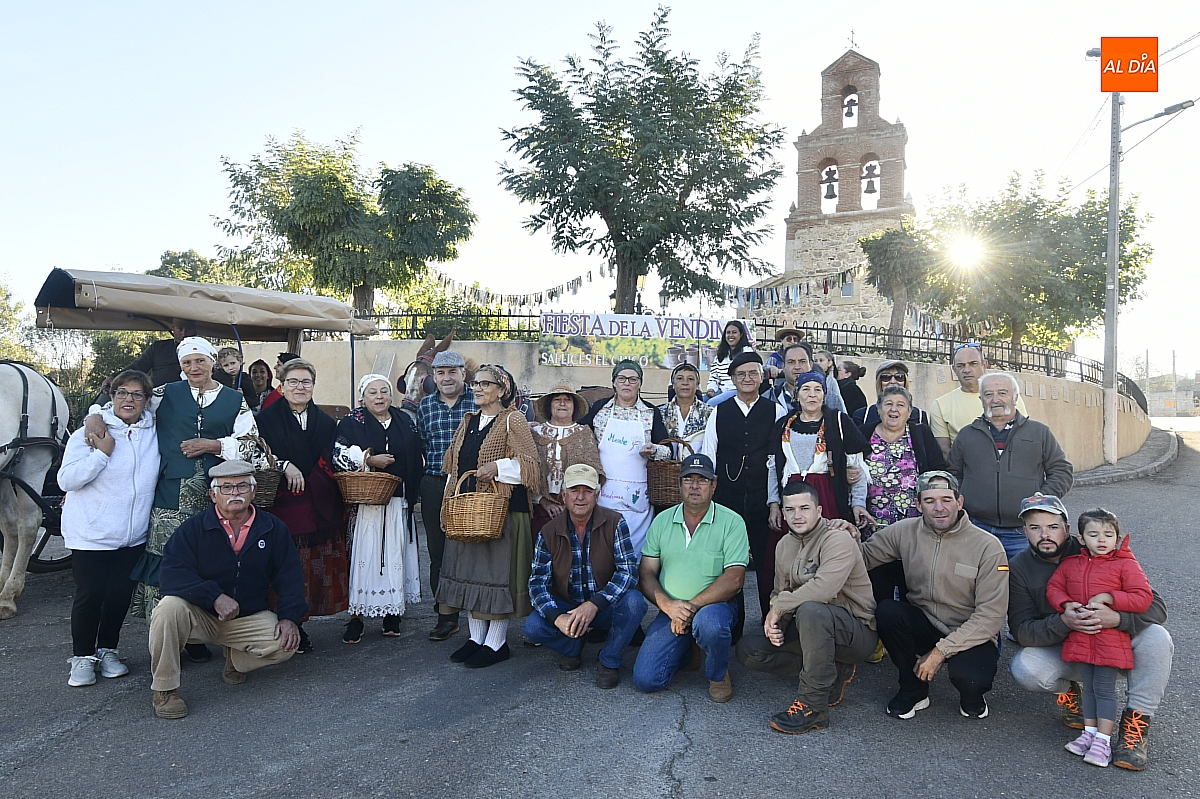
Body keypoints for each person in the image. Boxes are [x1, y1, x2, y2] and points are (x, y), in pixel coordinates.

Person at [84, 336, 261, 668]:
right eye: (187, 363)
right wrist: (94, 414)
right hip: (170, 492)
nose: (194, 368)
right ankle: (166, 638)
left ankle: (200, 635)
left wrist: (213, 445)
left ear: (212, 362)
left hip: (218, 496)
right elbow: (124, 405)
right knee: (167, 561)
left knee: (209, 562)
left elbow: (253, 445)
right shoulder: (164, 394)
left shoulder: (235, 400)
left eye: (200, 361)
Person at [1008, 495, 1171, 771]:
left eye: (1052, 527)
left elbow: (1155, 607)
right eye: (1035, 528)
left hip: (1114, 646)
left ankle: (1136, 723)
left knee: (1157, 637)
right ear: (1025, 531)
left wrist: (1116, 618)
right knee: (1025, 669)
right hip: (1069, 648)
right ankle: (1071, 692)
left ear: (1068, 530)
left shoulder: (1100, 546)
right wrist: (1065, 622)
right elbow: (1022, 631)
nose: (1045, 534)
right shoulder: (1019, 568)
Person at [147, 461, 305, 720]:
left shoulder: (273, 528)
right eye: (226, 487)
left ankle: (236, 660)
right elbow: (172, 575)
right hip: (201, 616)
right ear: (213, 494)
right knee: (167, 609)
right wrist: (214, 597)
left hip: (246, 617)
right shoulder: (193, 529)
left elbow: (291, 577)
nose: (235, 493)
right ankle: (165, 690)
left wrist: (290, 618)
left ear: (253, 491)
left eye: (242, 486)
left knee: (286, 644)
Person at [861, 471, 1009, 720]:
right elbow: (861, 558)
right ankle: (913, 688)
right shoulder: (904, 531)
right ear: (918, 505)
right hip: (924, 623)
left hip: (969, 631)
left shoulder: (988, 546)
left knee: (971, 678)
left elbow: (991, 616)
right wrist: (840, 535)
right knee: (888, 612)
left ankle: (972, 696)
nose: (939, 508)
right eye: (929, 501)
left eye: (946, 499)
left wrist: (940, 652)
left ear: (959, 502)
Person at [735, 481, 878, 734]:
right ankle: (831, 670)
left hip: (854, 630)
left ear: (819, 510)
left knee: (811, 609)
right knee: (750, 650)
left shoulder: (837, 538)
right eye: (790, 510)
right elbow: (780, 592)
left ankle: (813, 706)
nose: (797, 516)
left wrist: (778, 608)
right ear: (783, 512)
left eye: (804, 508)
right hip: (810, 626)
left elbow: (823, 589)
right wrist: (777, 623)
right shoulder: (784, 545)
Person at [435, 364, 541, 669]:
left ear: (502, 389)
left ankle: (496, 643)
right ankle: (475, 638)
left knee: (496, 576)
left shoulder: (513, 419)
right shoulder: (468, 421)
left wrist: (498, 468)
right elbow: (454, 468)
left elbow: (530, 466)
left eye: (485, 384)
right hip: (470, 513)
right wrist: (447, 504)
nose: (477, 388)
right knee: (472, 574)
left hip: (502, 511)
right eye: (475, 384)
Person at [59, 370, 160, 687]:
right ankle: (82, 656)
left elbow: (178, 394)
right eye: (121, 392)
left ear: (147, 400)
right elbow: (66, 480)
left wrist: (94, 411)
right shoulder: (88, 434)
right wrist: (102, 454)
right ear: (112, 396)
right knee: (90, 595)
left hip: (133, 536)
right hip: (92, 534)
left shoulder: (153, 431)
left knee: (119, 596)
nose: (129, 399)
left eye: (137, 394)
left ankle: (107, 650)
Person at [632, 455, 749, 703]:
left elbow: (734, 579)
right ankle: (689, 649)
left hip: (714, 608)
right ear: (679, 484)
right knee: (646, 680)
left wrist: (690, 607)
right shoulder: (662, 521)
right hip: (672, 610)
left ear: (713, 485)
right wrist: (668, 606)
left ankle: (718, 674)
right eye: (688, 480)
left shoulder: (732, 522)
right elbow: (647, 572)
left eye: (702, 480)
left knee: (710, 625)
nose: (695, 486)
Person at [1046, 507, 1154, 767]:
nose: (1102, 540)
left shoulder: (1125, 564)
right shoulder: (1070, 564)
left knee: (1104, 689)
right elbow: (1054, 587)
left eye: (1108, 534)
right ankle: (1090, 733)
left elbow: (1143, 597)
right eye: (1093, 534)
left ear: (1117, 538)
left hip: (1110, 641)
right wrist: (1066, 604)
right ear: (1081, 539)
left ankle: (1103, 742)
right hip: (1082, 638)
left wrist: (1110, 598)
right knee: (1090, 688)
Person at [523, 464, 647, 689]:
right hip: (568, 606)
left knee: (635, 603)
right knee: (533, 626)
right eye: (574, 490)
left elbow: (629, 571)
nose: (580, 497)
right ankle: (573, 645)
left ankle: (608, 659)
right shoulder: (548, 531)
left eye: (587, 490)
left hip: (603, 606)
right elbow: (537, 583)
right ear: (563, 495)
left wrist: (594, 604)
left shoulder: (615, 522)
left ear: (597, 495)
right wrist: (557, 618)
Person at [255, 357, 347, 653]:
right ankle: (277, 623)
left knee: (308, 567)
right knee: (283, 564)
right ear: (282, 386)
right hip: (282, 503)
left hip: (317, 502)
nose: (299, 387)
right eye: (293, 381)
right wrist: (284, 465)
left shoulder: (326, 422)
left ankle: (299, 623)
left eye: (306, 382)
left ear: (313, 386)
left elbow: (332, 456)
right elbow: (255, 453)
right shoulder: (265, 420)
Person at [333, 375, 424, 643]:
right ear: (363, 397)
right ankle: (357, 616)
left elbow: (416, 453)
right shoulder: (353, 421)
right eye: (372, 392)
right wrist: (369, 459)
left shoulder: (404, 420)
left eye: (384, 391)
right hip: (365, 503)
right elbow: (337, 453)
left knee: (394, 554)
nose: (379, 396)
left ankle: (392, 612)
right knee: (364, 557)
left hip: (398, 500)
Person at [947, 372, 1073, 560]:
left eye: (1002, 393)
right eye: (988, 394)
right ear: (981, 400)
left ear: (1015, 397)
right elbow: (953, 474)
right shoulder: (966, 435)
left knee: (1022, 578)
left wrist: (1041, 498)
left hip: (1023, 531)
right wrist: (965, 499)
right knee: (978, 577)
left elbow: (1062, 471)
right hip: (977, 528)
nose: (995, 399)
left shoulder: (1039, 432)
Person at [701, 351, 785, 631]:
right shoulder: (719, 411)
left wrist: (776, 501)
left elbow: (780, 458)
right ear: (733, 379)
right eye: (741, 374)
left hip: (763, 499)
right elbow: (709, 454)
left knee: (767, 563)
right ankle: (733, 627)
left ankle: (769, 622)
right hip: (728, 497)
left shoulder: (776, 411)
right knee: (730, 563)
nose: (747, 378)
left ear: (761, 377)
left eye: (752, 373)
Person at [417, 349, 477, 641]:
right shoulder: (425, 406)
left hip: (471, 484)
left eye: (453, 372)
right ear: (434, 377)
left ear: (463, 374)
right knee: (438, 552)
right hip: (435, 483)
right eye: (441, 373)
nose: (447, 378)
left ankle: (479, 613)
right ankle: (446, 615)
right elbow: (422, 444)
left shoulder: (478, 402)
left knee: (474, 550)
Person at [582, 360, 670, 554]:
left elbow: (668, 450)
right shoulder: (598, 409)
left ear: (640, 383)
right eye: (621, 378)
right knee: (603, 550)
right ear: (614, 382)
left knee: (634, 552)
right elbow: (580, 439)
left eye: (633, 379)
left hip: (637, 500)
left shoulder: (651, 412)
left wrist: (654, 450)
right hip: (604, 496)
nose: (627, 383)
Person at [768, 370, 870, 533]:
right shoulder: (783, 425)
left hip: (827, 495)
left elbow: (857, 468)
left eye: (818, 389)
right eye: (806, 389)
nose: (812, 395)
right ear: (796, 394)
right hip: (792, 499)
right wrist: (774, 504)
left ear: (824, 395)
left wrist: (858, 504)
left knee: (828, 542)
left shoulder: (839, 422)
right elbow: (774, 468)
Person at [859, 385, 947, 537]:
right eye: (888, 404)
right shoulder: (863, 433)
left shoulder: (921, 433)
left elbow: (937, 471)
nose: (894, 409)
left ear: (909, 412)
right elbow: (850, 467)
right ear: (878, 409)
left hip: (914, 526)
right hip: (872, 525)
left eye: (900, 405)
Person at [929, 342, 1027, 458]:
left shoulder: (1008, 399)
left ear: (984, 365)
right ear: (954, 369)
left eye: (973, 364)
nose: (967, 370)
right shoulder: (941, 405)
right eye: (960, 366)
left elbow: (1023, 436)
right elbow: (943, 450)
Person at [530, 384, 603, 536]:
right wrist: (543, 501)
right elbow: (526, 471)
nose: (562, 403)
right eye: (557, 399)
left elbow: (593, 471)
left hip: (577, 505)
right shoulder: (535, 433)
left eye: (567, 400)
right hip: (540, 507)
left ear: (574, 406)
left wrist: (571, 502)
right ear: (549, 405)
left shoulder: (584, 433)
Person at [100, 318, 196, 393]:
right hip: (156, 397)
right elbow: (137, 367)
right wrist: (114, 377)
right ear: (173, 328)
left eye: (188, 329)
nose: (184, 333)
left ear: (194, 331)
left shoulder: (201, 349)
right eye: (180, 329)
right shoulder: (158, 347)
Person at [764, 342, 848, 415]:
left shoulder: (830, 398)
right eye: (791, 362)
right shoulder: (770, 397)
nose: (797, 367)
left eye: (802, 362)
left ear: (811, 365)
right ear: (783, 366)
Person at [850, 361, 929, 427]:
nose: (893, 382)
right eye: (886, 377)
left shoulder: (919, 417)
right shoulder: (863, 416)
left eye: (899, 377)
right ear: (879, 382)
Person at [661, 363, 712, 459]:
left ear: (697, 385)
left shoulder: (710, 413)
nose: (685, 382)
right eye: (680, 378)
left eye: (690, 379)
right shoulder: (660, 413)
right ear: (673, 384)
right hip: (667, 467)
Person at [705, 320, 755, 404]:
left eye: (734, 332)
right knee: (698, 401)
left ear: (741, 334)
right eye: (728, 333)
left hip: (736, 390)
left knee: (711, 404)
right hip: (720, 390)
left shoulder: (746, 352)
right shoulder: (721, 354)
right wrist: (711, 389)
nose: (730, 335)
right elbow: (714, 376)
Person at [214, 346, 259, 411]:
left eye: (233, 363)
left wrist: (242, 397)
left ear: (240, 361)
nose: (230, 367)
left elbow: (254, 402)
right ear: (221, 366)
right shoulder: (218, 378)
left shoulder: (245, 378)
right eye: (226, 365)